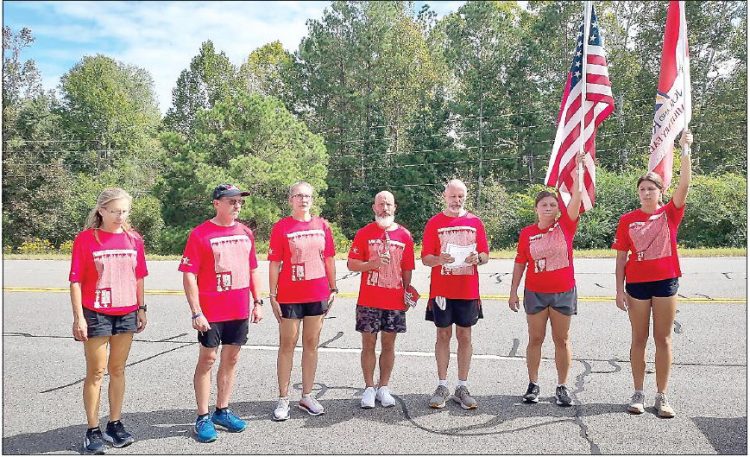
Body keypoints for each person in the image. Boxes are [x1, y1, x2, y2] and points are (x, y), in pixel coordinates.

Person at [613, 131, 693, 419]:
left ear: (661, 192)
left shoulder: (670, 213)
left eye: (652, 188)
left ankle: (662, 395)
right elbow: (621, 257)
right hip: (636, 285)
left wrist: (685, 149)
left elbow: (684, 184)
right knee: (639, 338)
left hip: (665, 281)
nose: (647, 193)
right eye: (643, 189)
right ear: (639, 193)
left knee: (664, 339)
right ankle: (638, 392)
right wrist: (619, 289)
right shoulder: (627, 220)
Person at [178, 184, 263, 443]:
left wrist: (257, 302)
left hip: (238, 309)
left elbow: (252, 270)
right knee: (208, 360)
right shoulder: (200, 234)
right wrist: (196, 312)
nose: (237, 206)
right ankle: (202, 416)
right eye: (231, 201)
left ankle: (222, 410)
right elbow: (189, 275)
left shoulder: (246, 232)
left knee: (231, 359)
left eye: (240, 202)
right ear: (217, 203)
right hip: (211, 311)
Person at [69, 188, 148, 454]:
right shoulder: (86, 240)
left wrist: (141, 308)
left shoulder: (133, 239)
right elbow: (76, 280)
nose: (119, 216)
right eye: (114, 211)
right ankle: (93, 430)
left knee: (118, 369)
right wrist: (79, 317)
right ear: (101, 210)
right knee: (96, 372)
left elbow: (139, 277)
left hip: (126, 312)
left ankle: (115, 423)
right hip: (96, 313)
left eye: (124, 211)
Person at [508, 152, 585, 407]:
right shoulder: (527, 233)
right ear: (536, 209)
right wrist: (513, 291)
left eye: (553, 205)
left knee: (561, 340)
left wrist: (579, 172)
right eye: (544, 205)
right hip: (536, 292)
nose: (549, 208)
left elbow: (576, 199)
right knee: (535, 339)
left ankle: (562, 386)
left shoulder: (565, 227)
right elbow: (520, 262)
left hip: (563, 291)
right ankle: (533, 384)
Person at [268, 181, 337, 421]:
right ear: (290, 200)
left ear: (312, 199)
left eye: (307, 196)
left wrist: (333, 287)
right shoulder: (282, 227)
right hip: (289, 295)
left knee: (312, 344)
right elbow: (275, 263)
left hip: (317, 293)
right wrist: (272, 294)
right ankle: (283, 398)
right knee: (287, 344)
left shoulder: (322, 226)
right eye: (298, 195)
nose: (303, 199)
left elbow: (328, 259)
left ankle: (306, 395)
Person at [421, 179, 489, 410]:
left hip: (467, 290)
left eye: (460, 196)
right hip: (442, 291)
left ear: (465, 197)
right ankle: (442, 385)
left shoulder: (475, 222)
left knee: (465, 336)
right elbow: (425, 258)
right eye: (453, 196)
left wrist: (477, 258)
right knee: (442, 336)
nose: (456, 201)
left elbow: (486, 254)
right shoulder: (434, 223)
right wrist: (439, 259)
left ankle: (462, 386)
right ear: (445, 196)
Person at [347, 191, 415, 408]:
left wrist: (407, 292)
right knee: (368, 343)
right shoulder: (364, 233)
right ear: (374, 208)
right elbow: (351, 263)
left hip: (394, 300)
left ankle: (383, 387)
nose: (384, 208)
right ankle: (368, 388)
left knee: (389, 344)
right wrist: (371, 264)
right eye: (380, 204)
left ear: (395, 208)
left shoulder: (404, 235)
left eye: (388, 204)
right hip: (369, 299)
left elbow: (407, 268)